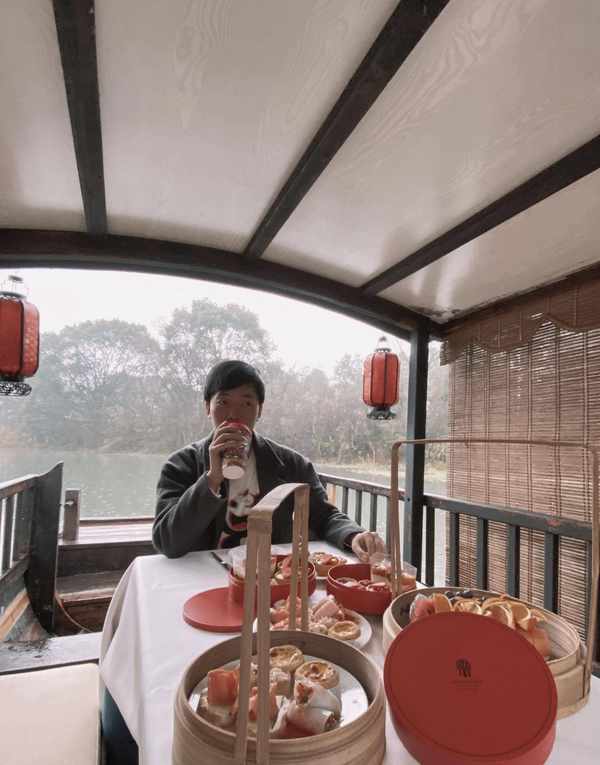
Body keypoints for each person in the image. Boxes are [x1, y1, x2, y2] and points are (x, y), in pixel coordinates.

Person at [153, 360, 386, 560]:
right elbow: (167, 542)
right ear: (208, 407)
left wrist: (354, 535)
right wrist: (212, 478)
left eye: (246, 403)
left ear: (260, 410)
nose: (234, 414)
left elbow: (324, 516)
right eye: (223, 402)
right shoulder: (182, 464)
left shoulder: (291, 464)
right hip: (202, 578)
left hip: (270, 577)